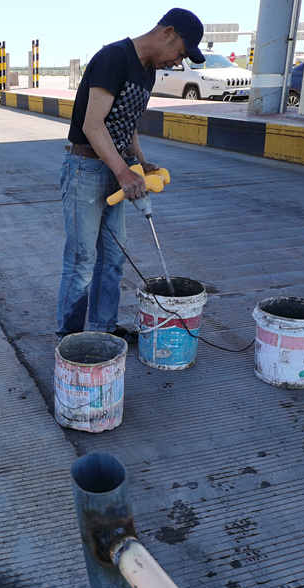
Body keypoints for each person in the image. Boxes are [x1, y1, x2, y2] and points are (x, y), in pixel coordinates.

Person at [56, 8, 205, 341]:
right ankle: (71, 338)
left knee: (113, 258)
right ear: (167, 32)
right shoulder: (114, 57)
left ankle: (104, 329)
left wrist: (140, 162)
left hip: (116, 167)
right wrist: (124, 171)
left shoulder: (148, 72)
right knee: (83, 258)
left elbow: (127, 123)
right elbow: (93, 125)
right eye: (180, 53)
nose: (177, 62)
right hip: (86, 168)